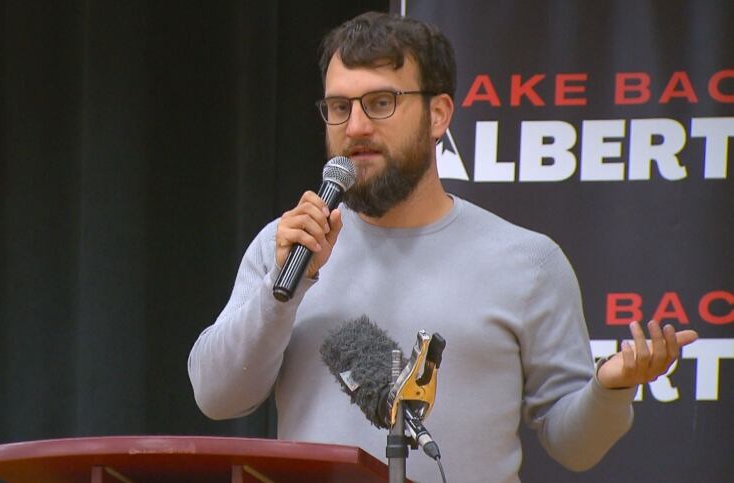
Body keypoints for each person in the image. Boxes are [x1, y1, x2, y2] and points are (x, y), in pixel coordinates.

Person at [188, 12, 697, 482]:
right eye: (339, 107)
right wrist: (284, 292)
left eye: (381, 103)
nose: (356, 127)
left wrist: (611, 389)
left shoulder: (528, 262)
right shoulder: (287, 246)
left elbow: (575, 447)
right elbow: (217, 396)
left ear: (438, 115)